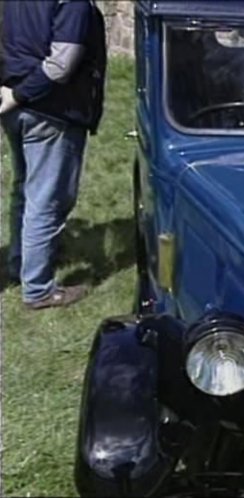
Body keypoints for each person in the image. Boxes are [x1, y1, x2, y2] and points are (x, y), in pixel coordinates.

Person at [0, 0, 107, 310]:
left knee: (24, 189)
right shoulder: (73, 3)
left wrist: (13, 94)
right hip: (50, 109)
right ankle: (38, 290)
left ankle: (21, 263)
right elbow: (61, 64)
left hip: (15, 102)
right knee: (47, 199)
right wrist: (22, 94)